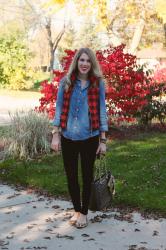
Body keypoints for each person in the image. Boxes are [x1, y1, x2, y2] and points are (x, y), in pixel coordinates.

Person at [51, 47, 108, 228]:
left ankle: (84, 213)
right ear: (77, 62)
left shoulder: (97, 84)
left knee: (86, 175)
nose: (84, 64)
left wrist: (103, 140)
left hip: (89, 137)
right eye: (81, 60)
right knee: (71, 176)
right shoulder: (66, 82)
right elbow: (59, 109)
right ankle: (77, 210)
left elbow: (101, 111)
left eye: (88, 61)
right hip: (68, 137)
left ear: (92, 64)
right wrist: (56, 135)